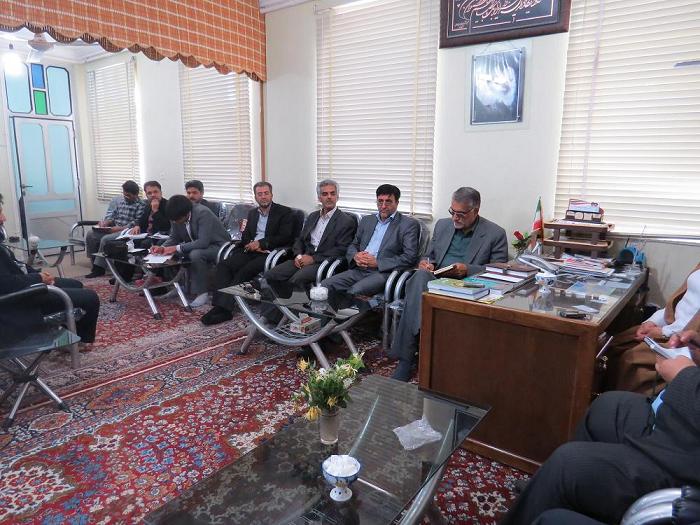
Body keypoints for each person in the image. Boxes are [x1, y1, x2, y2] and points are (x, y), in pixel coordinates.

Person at [500, 329, 700, 525]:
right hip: (684, 419)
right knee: (609, 406)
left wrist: (684, 375)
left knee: (568, 464)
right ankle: (554, 493)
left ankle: (561, 484)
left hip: (686, 457)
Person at [389, 187, 508, 381]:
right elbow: (429, 255)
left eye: (461, 214)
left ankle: (410, 353)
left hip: (466, 288)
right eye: (452, 211)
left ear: (475, 211)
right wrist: (426, 263)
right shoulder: (443, 225)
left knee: (416, 295)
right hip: (435, 282)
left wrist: (468, 269)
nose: (455, 218)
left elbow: (498, 271)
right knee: (419, 277)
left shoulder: (495, 233)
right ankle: (407, 359)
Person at [0, 194, 100, 344]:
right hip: (19, 299)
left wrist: (38, 274)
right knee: (90, 297)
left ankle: (69, 334)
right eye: (0, 213)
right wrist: (39, 279)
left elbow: (16, 266)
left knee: (76, 284)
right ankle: (81, 342)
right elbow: (6, 284)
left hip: (24, 287)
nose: (4, 218)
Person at [201, 182, 295, 325]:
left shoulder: (284, 212)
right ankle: (219, 306)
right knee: (224, 266)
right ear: (255, 196)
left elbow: (286, 236)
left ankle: (224, 310)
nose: (263, 197)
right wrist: (251, 244)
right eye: (260, 194)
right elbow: (245, 235)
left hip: (269, 254)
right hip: (251, 250)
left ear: (271, 194)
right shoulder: (252, 213)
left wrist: (261, 244)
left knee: (244, 271)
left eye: (266, 193)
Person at [603, 261, 700, 395]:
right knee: (615, 342)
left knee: (632, 358)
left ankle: (622, 401)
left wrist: (664, 332)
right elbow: (679, 303)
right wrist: (651, 322)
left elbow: (693, 324)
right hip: (670, 327)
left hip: (685, 342)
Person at [321, 184, 420, 300]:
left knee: (355, 291)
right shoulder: (367, 220)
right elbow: (354, 244)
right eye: (380, 201)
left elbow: (409, 257)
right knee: (325, 286)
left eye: (388, 202)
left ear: (397, 203)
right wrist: (355, 256)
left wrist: (378, 263)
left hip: (383, 273)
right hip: (359, 269)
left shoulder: (408, 225)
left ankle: (359, 312)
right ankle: (337, 312)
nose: (383, 206)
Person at [264, 180, 357, 292]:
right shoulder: (313, 216)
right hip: (303, 258)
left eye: (332, 193)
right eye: (325, 194)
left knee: (296, 280)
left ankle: (296, 304)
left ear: (337, 197)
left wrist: (313, 259)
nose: (329, 197)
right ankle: (278, 303)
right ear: (319, 198)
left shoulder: (346, 221)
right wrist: (298, 255)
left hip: (323, 262)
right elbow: (300, 239)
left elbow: (342, 249)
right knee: (270, 275)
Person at [152, 195, 230, 308]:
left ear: (186, 213)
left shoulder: (203, 213)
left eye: (177, 220)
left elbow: (203, 242)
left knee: (195, 254)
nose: (175, 222)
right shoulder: (175, 215)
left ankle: (202, 292)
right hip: (197, 245)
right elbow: (174, 238)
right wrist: (162, 248)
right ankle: (180, 286)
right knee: (171, 252)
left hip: (219, 246)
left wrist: (176, 248)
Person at [84, 180, 146, 278]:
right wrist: (106, 222)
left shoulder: (141, 205)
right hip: (114, 228)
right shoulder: (121, 201)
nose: (125, 197)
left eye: (128, 195)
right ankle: (94, 262)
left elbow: (136, 222)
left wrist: (118, 229)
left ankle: (99, 269)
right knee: (91, 234)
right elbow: (113, 216)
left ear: (136, 195)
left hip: (126, 231)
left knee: (105, 239)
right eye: (124, 194)